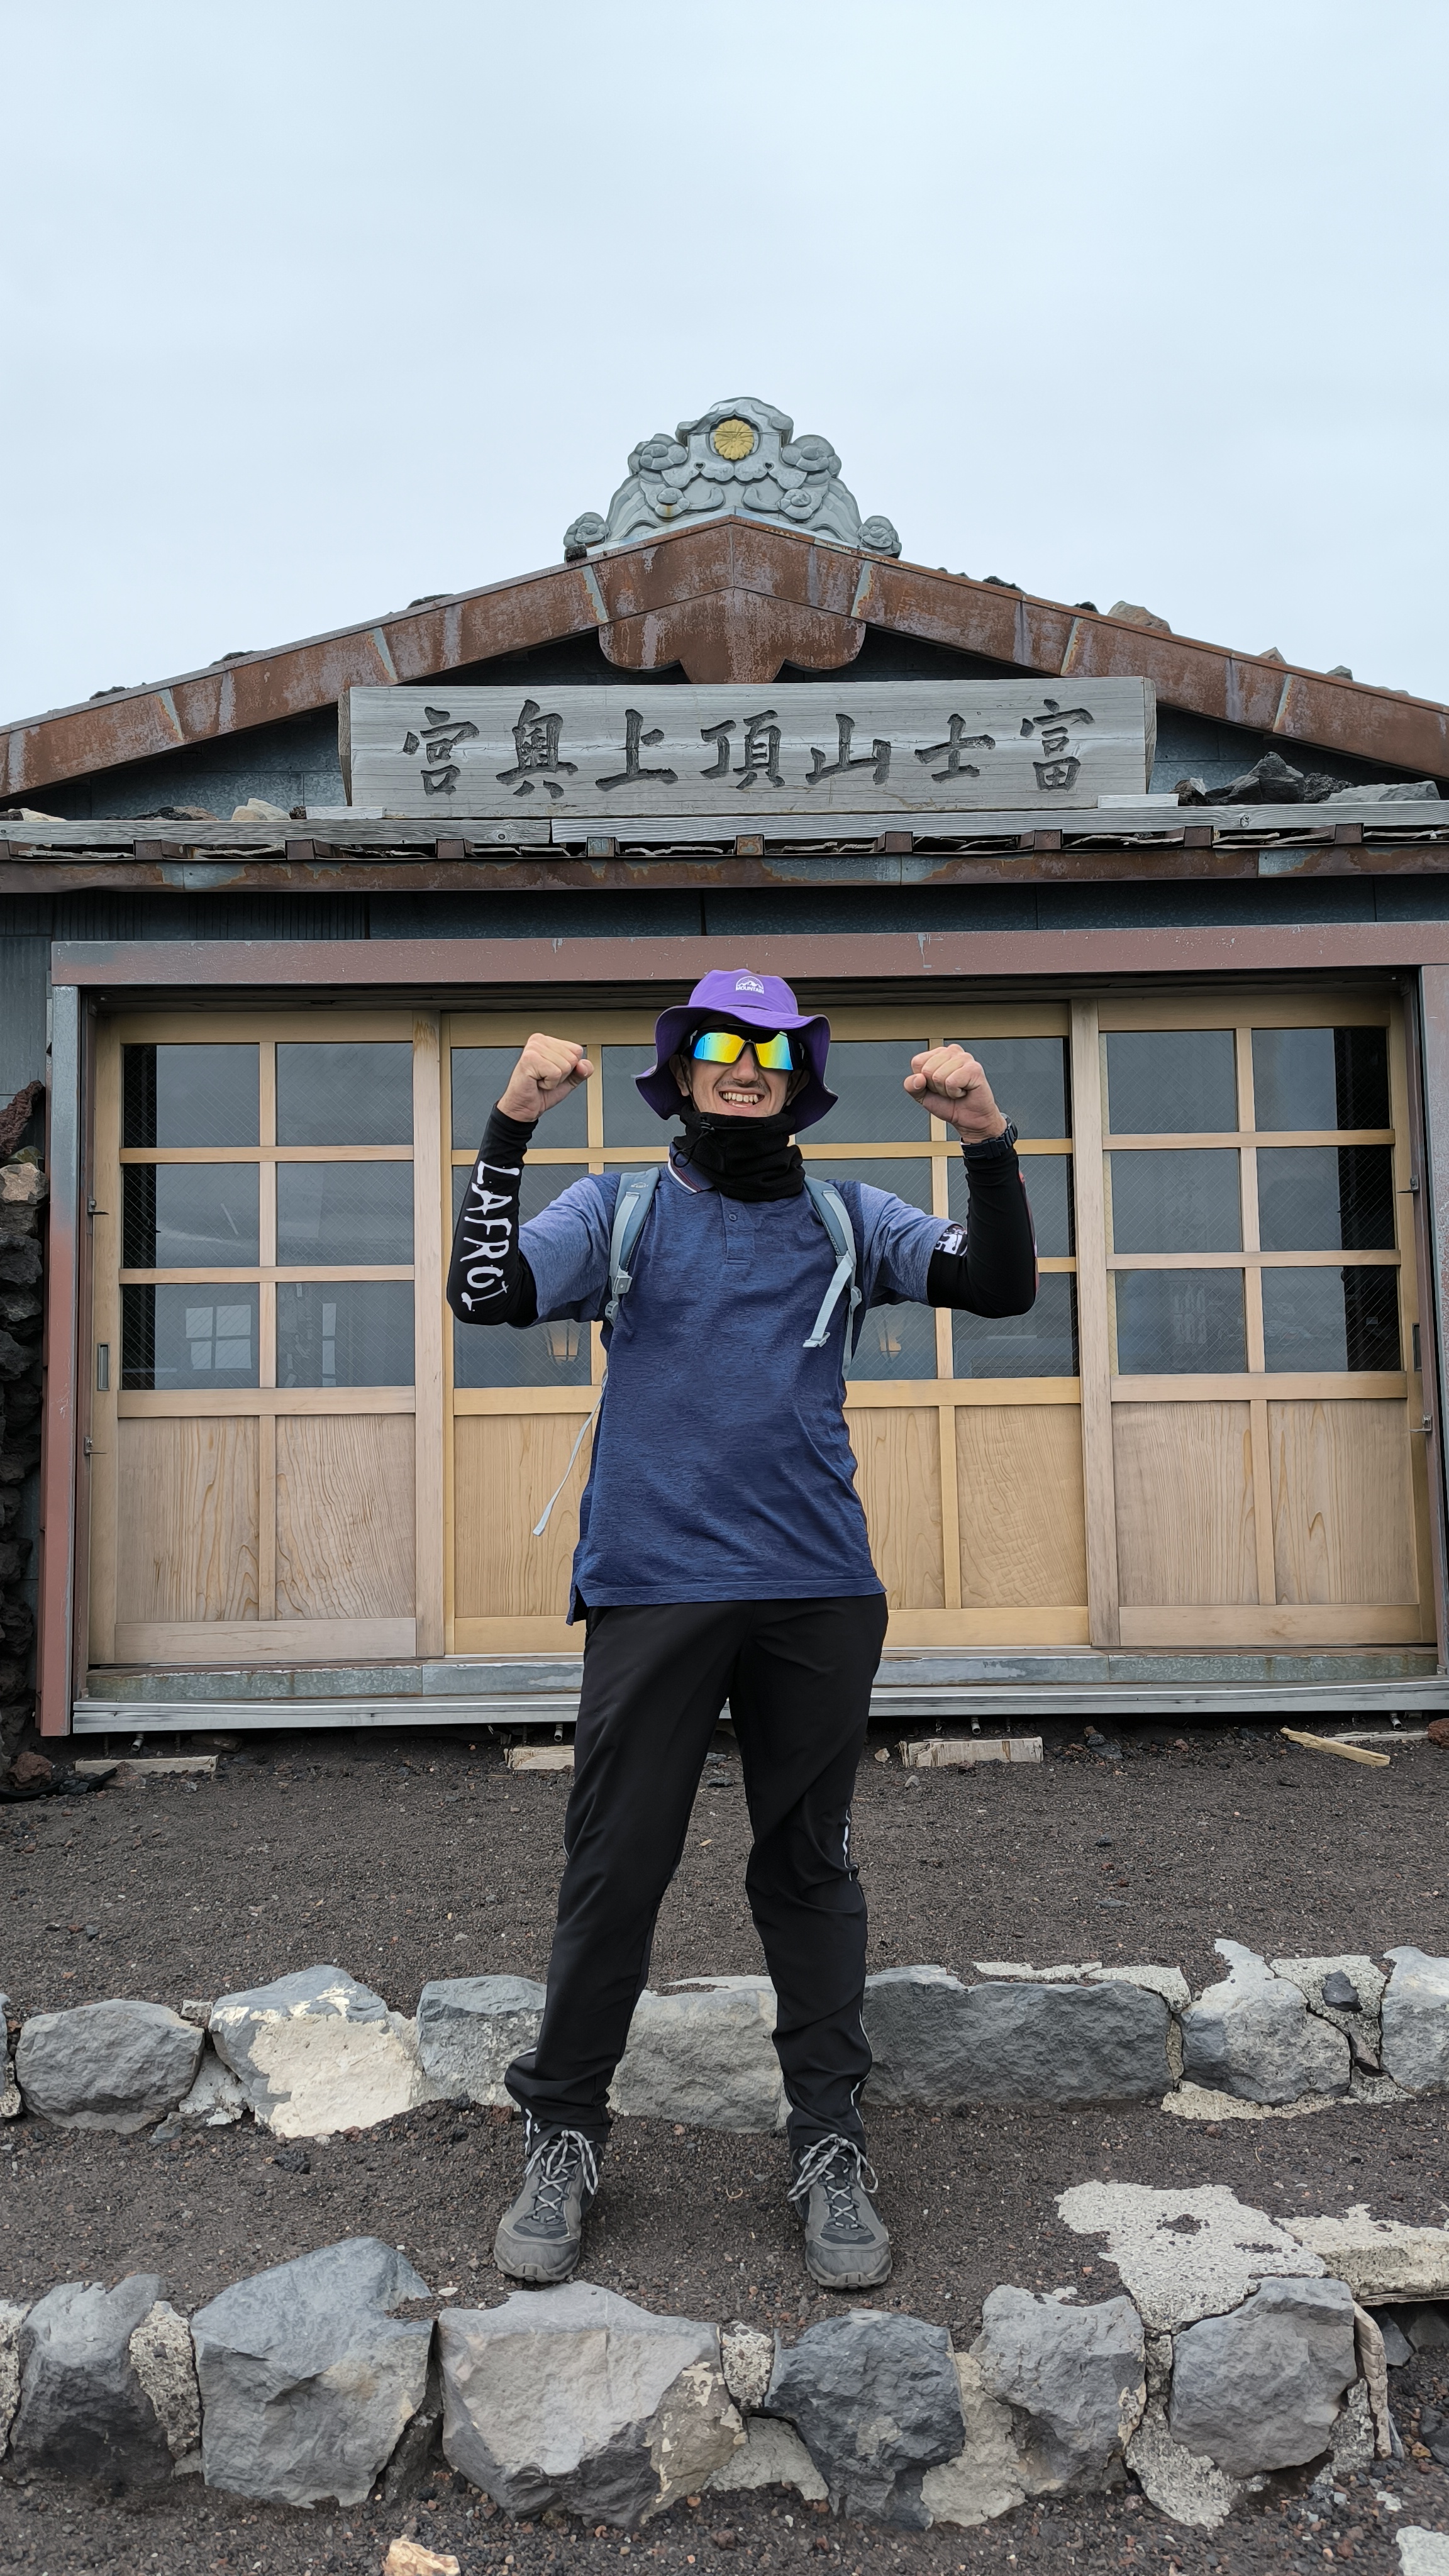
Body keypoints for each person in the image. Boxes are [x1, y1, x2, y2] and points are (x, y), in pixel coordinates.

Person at [446, 968, 1036, 2292]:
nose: (744, 1062)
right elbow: (483, 1291)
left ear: (797, 1074)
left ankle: (829, 2139)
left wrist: (989, 1142)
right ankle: (563, 2130)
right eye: (720, 1042)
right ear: (683, 1067)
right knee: (619, 1862)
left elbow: (999, 1286)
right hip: (654, 1584)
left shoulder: (846, 1214)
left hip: (817, 1587)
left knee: (808, 1862)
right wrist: (512, 1122)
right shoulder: (624, 1205)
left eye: (769, 1045)